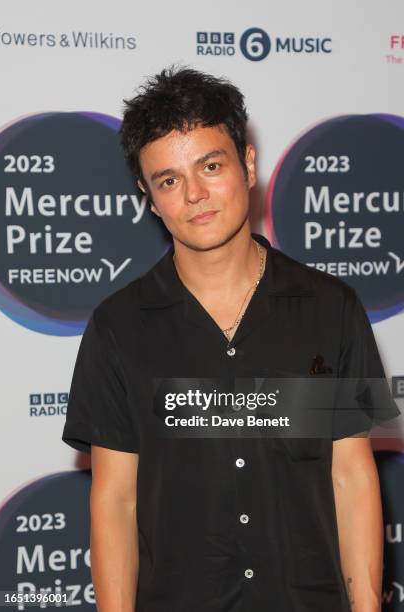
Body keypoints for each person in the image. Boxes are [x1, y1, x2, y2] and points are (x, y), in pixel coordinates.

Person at [62, 66, 400, 612]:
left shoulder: (330, 308)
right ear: (148, 197)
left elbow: (351, 476)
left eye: (210, 166)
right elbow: (116, 501)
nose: (194, 194)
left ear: (247, 163)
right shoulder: (118, 326)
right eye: (169, 180)